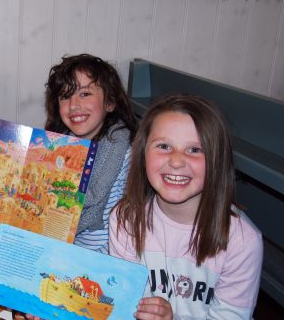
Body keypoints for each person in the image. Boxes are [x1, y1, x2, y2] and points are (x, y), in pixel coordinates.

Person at [109, 93, 263, 319]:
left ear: (217, 160)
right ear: (142, 154)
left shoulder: (242, 241)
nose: (177, 160)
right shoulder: (126, 219)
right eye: (164, 146)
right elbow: (122, 305)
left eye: (194, 150)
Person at [45, 53, 137, 252]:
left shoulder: (124, 155)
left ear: (110, 102)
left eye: (85, 94)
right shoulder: (57, 145)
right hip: (62, 247)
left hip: (105, 256)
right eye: (65, 96)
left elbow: (126, 232)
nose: (74, 105)